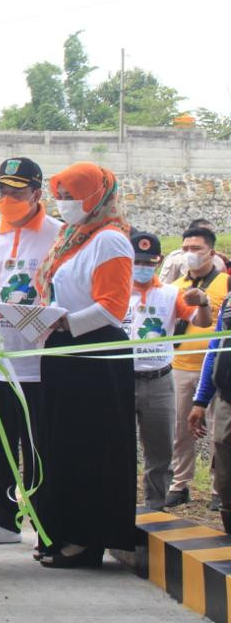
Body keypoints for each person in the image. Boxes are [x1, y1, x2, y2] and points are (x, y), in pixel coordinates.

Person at [36, 161, 135, 568]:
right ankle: (59, 530)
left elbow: (113, 307)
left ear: (95, 198)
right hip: (62, 351)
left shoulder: (109, 240)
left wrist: (65, 323)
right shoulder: (70, 237)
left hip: (95, 355)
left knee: (90, 447)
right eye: (58, 196)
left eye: (71, 197)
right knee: (59, 445)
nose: (62, 204)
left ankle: (87, 538)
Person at [0, 158, 62, 546]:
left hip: (40, 362)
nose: (6, 199)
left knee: (40, 447)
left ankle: (45, 521)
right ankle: (1, 520)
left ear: (37, 194)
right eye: (3, 191)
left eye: (16, 192)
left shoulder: (59, 236)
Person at [122, 231, 210, 509]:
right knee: (118, 451)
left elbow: (204, 322)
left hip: (159, 381)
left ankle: (155, 509)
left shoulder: (171, 294)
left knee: (160, 453)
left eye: (150, 262)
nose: (144, 267)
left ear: (158, 263)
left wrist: (204, 301)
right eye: (138, 261)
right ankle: (118, 509)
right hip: (121, 380)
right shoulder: (116, 293)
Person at [166, 226, 229, 509]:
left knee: (219, 432)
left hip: (215, 371)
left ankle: (219, 488)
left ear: (211, 253)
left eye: (197, 249)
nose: (190, 255)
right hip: (179, 366)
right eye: (186, 249)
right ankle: (180, 483)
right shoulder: (175, 286)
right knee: (180, 430)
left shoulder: (225, 284)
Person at [190, 294, 231, 532]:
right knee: (225, 474)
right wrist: (200, 400)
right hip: (226, 400)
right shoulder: (229, 302)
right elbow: (214, 349)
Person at [158, 219, 228, 284]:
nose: (190, 253)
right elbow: (164, 286)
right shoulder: (175, 260)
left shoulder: (219, 262)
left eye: (196, 248)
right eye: (185, 249)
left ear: (212, 253)